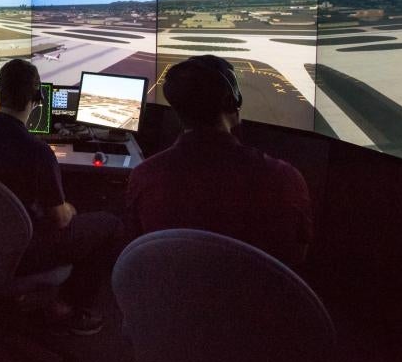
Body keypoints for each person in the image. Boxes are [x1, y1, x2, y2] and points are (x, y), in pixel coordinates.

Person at [0, 58, 124, 335]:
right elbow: (60, 220)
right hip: (22, 251)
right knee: (109, 224)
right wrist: (72, 208)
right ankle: (70, 307)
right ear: (37, 97)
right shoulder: (37, 151)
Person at [125, 54, 313, 268]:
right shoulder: (284, 178)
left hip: (170, 295)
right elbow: (295, 260)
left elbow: (137, 251)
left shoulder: (145, 176)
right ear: (232, 100)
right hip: (254, 298)